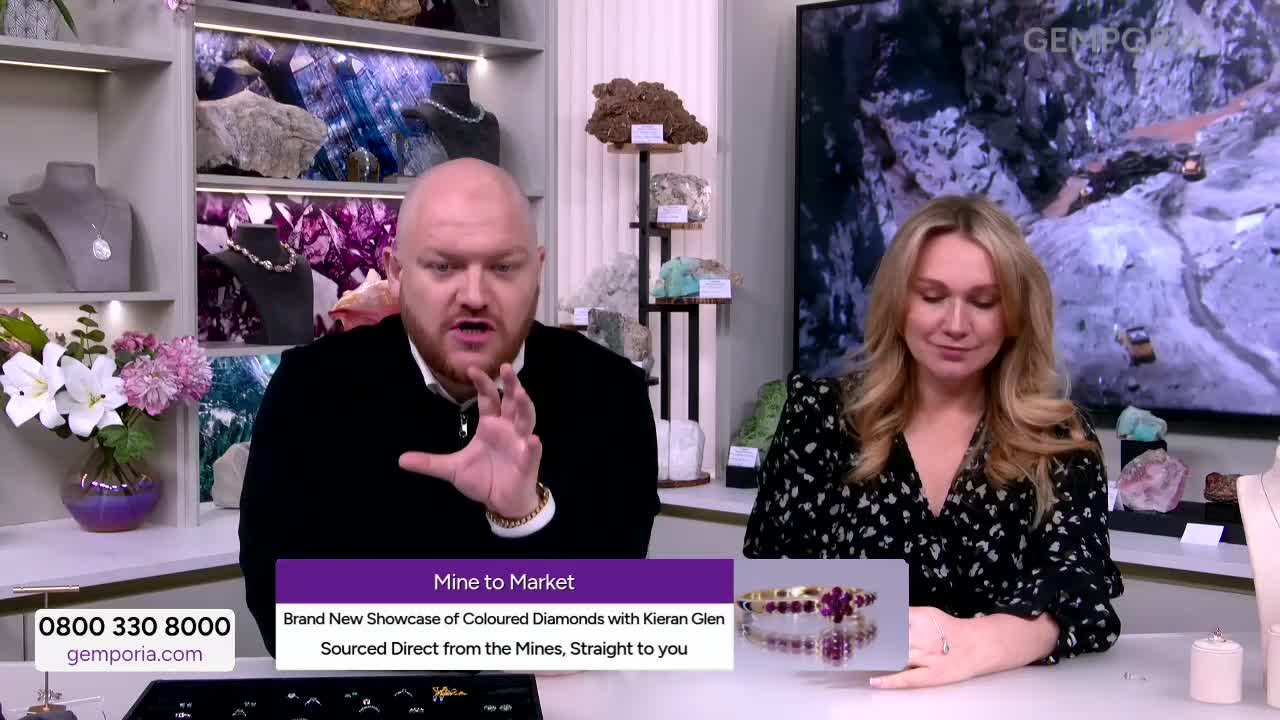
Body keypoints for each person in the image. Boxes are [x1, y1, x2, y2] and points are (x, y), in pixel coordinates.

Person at [239, 158, 659, 657]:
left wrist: (525, 515)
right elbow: (285, 613)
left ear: (538, 272)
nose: (475, 296)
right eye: (443, 266)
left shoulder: (611, 396)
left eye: (503, 267)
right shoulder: (310, 391)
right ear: (395, 273)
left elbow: (607, 624)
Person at [744, 194, 1123, 688]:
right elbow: (763, 598)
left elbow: (1083, 594)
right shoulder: (820, 421)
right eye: (932, 296)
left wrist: (976, 641)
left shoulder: (1058, 441)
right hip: (846, 703)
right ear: (899, 303)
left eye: (984, 302)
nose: (956, 325)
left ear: (1013, 317)